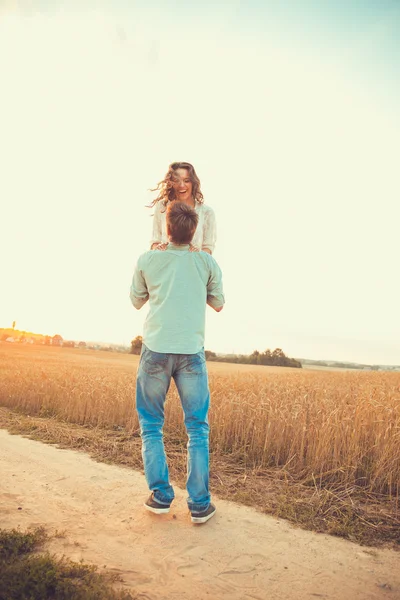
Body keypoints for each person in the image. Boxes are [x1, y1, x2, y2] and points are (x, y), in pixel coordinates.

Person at [130, 201, 224, 524]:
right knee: (197, 428)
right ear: (194, 231)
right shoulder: (206, 263)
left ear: (166, 228)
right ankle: (199, 505)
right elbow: (218, 304)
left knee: (151, 425)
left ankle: (160, 495)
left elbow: (136, 300)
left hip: (155, 350)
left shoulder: (147, 260)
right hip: (191, 353)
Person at [149, 161, 216, 254]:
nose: (181, 185)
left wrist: (197, 254)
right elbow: (154, 241)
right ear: (170, 183)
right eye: (176, 181)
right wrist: (159, 248)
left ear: (193, 183)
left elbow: (208, 247)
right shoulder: (162, 207)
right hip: (167, 265)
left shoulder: (207, 212)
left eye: (186, 180)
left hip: (193, 266)